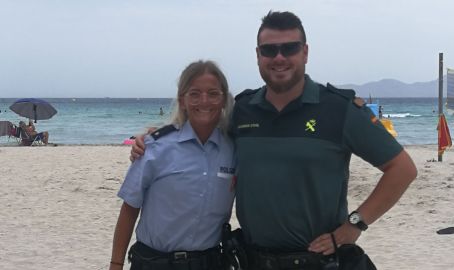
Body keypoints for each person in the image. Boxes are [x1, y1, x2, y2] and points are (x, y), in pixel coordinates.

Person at [131, 11, 417, 270]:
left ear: (305, 53)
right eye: (269, 50)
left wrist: (355, 224)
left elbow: (402, 169)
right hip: (252, 260)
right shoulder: (241, 110)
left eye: (289, 48)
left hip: (317, 262)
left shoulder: (338, 109)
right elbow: (200, 126)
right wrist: (153, 137)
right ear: (258, 55)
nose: (279, 58)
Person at [110, 60, 236, 270]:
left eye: (213, 93)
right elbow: (129, 208)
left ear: (223, 100)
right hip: (154, 263)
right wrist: (116, 264)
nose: (204, 101)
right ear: (182, 100)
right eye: (194, 93)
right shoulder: (154, 147)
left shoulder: (234, 150)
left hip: (210, 263)